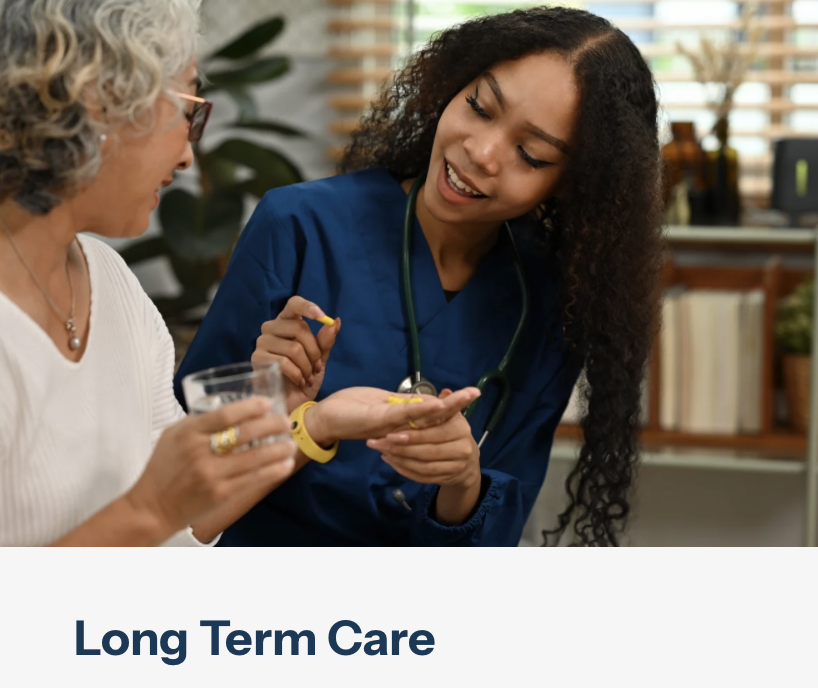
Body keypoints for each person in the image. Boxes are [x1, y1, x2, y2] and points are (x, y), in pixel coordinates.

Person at [177, 6, 663, 547]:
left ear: (572, 186)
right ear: (451, 88)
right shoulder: (297, 226)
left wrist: (462, 482)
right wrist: (269, 401)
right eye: (479, 108)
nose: (480, 152)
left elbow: (496, 528)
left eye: (530, 154)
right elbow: (179, 470)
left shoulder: (551, 304)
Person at [0, 0, 464, 546]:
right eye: (188, 109)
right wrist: (151, 507)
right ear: (100, 101)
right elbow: (158, 510)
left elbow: (186, 521)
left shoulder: (111, 283)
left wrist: (310, 423)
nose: (188, 158)